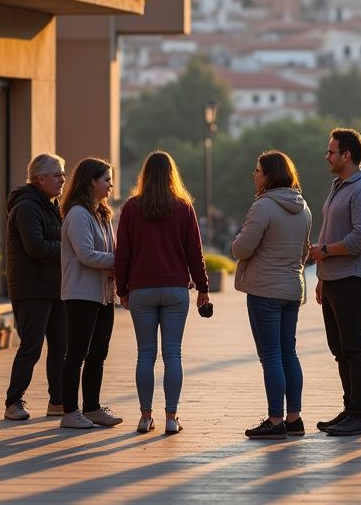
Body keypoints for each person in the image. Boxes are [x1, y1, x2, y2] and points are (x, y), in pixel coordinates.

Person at [115, 151, 210, 435]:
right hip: (174, 290)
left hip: (141, 290)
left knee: (145, 355)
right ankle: (171, 418)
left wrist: (122, 290)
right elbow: (196, 252)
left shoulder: (131, 208)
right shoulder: (183, 207)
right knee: (173, 355)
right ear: (172, 175)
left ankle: (145, 417)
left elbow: (123, 254)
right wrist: (203, 288)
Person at [231, 150, 314, 440]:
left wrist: (236, 242)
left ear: (269, 175)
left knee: (271, 356)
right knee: (288, 352)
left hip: (264, 290)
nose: (254, 175)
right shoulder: (303, 208)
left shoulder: (263, 207)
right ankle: (294, 417)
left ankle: (275, 420)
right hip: (292, 288)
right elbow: (305, 252)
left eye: (257, 170)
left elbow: (242, 249)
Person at [309, 128, 361, 437]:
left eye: (330, 151)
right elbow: (332, 228)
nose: (326, 156)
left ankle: (359, 415)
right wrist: (322, 277)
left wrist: (324, 251)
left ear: (347, 155)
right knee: (340, 349)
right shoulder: (340, 186)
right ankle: (349, 408)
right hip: (334, 278)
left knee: (354, 348)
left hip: (354, 278)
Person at [4, 153, 69, 422]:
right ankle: (13, 402)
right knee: (31, 347)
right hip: (31, 289)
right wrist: (69, 251)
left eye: (63, 174)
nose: (63, 179)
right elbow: (37, 247)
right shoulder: (27, 207)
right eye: (57, 174)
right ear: (40, 179)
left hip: (55, 287)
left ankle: (58, 401)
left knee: (60, 346)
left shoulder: (52, 206)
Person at [59, 157, 123, 430]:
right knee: (77, 354)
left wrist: (116, 264)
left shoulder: (102, 214)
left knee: (99, 353)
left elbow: (110, 251)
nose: (111, 185)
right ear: (91, 181)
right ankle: (70, 412)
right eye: (107, 179)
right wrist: (120, 262)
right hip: (81, 294)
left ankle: (93, 408)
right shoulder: (77, 214)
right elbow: (86, 255)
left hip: (103, 294)